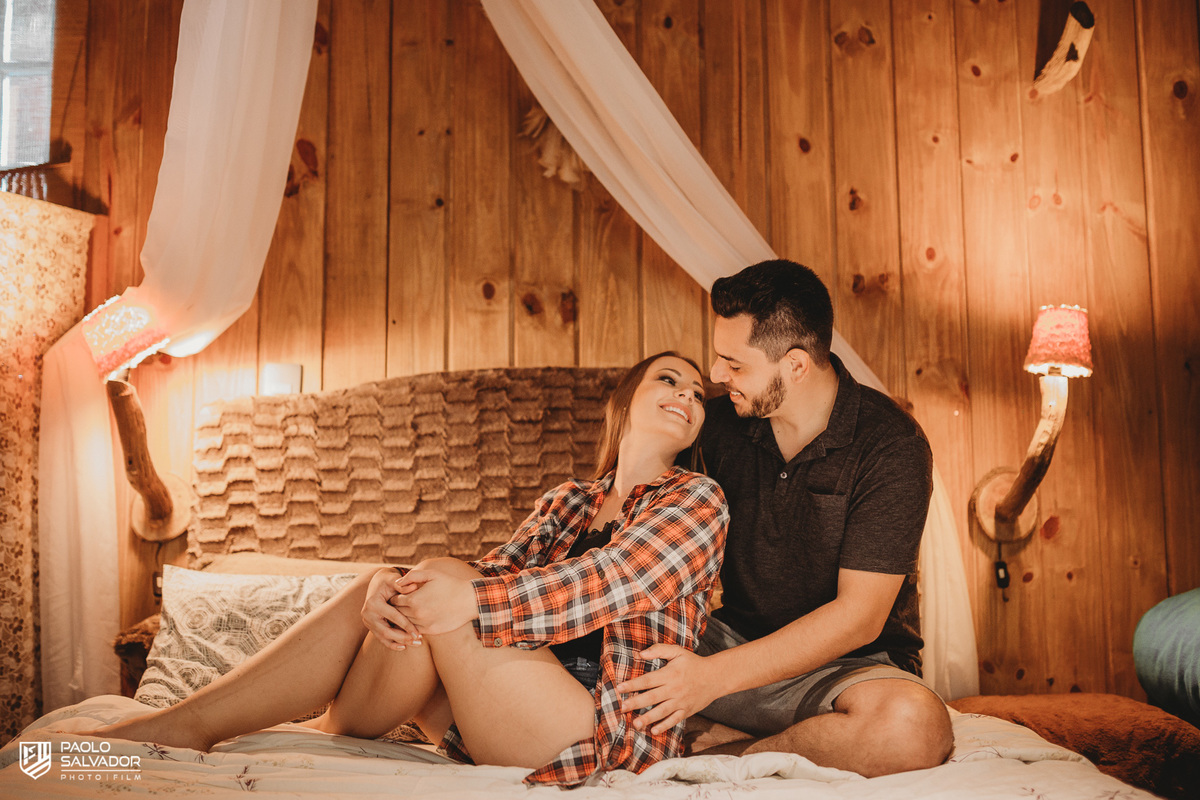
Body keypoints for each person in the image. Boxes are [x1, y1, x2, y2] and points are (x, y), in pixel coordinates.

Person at [86, 352, 728, 787]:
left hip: (599, 729)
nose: (687, 395)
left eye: (699, 394)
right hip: (498, 706)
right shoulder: (568, 502)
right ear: (626, 401)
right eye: (669, 380)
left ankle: (201, 725)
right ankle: (265, 725)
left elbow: (615, 582)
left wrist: (464, 598)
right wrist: (385, 593)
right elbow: (489, 574)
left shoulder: (697, 499)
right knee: (396, 579)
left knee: (440, 580)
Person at [616, 260, 954, 777]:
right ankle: (781, 743)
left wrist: (708, 680)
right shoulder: (720, 425)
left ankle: (721, 755)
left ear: (796, 365)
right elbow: (630, 517)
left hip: (850, 669)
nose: (715, 376)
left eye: (735, 363)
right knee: (595, 635)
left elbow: (859, 617)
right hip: (728, 642)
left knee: (913, 728)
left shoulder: (891, 444)